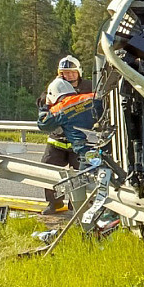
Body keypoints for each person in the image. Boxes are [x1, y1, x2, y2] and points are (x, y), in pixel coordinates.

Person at [38, 56, 94, 214]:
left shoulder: (90, 87)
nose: (68, 76)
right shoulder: (53, 88)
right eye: (64, 73)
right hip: (58, 140)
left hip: (81, 141)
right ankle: (53, 203)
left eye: (71, 72)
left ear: (79, 73)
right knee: (49, 171)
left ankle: (75, 204)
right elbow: (44, 113)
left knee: (81, 176)